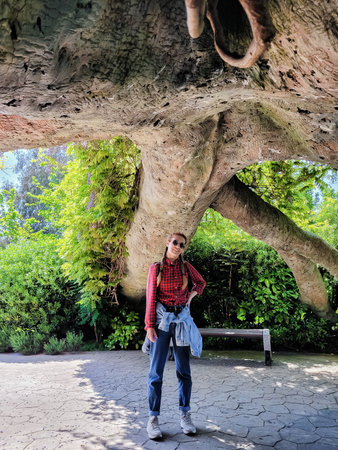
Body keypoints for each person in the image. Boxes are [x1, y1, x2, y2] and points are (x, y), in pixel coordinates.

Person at [145, 232, 206, 440]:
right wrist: (149, 325)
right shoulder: (157, 268)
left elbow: (201, 283)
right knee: (156, 373)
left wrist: (189, 297)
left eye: (181, 244)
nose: (177, 246)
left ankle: (185, 414)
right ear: (167, 243)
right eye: (174, 242)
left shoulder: (186, 268)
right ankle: (153, 419)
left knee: (184, 371)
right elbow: (151, 297)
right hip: (161, 323)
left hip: (181, 322)